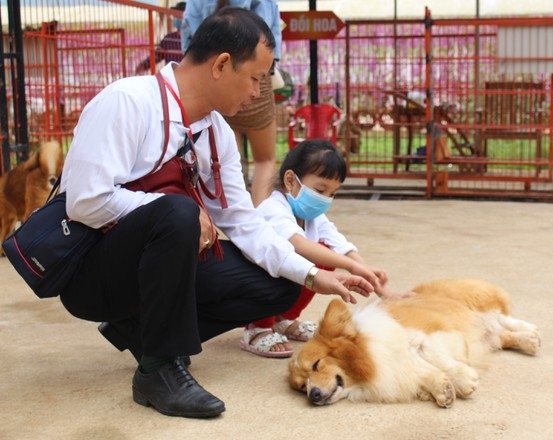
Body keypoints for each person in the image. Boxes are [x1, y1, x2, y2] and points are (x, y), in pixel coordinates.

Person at [58, 8, 373, 419]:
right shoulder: (127, 102)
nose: (260, 92)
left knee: (279, 286)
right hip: (94, 275)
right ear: (223, 64)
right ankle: (158, 369)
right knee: (176, 213)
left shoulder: (216, 130)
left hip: (162, 267)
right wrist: (182, 210)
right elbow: (84, 201)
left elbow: (243, 221)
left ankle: (140, 332)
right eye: (257, 77)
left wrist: (314, 275)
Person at [240, 139, 412, 358]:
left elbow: (341, 246)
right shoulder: (273, 208)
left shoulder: (312, 217)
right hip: (252, 284)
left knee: (324, 255)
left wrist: (383, 291)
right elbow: (300, 245)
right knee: (308, 256)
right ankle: (257, 327)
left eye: (332, 193)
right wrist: (350, 266)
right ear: (291, 180)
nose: (325, 199)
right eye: (320, 189)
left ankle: (284, 320)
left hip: (278, 283)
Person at [181, 0, 282, 206]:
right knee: (265, 159)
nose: (255, 90)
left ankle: (233, 200)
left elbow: (188, 31)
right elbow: (272, 36)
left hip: (207, 75)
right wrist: (263, 74)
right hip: (248, 67)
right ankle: (259, 211)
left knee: (226, 158)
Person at [135, 2, 187, 75]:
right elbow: (157, 56)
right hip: (170, 79)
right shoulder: (168, 39)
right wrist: (142, 66)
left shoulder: (194, 38)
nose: (175, 18)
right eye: (174, 16)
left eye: (177, 15)